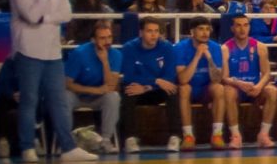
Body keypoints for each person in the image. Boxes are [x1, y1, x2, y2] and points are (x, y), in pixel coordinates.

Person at [9, 0, 99, 163]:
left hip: (52, 54)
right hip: (28, 52)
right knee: (29, 101)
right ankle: (27, 147)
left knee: (58, 101)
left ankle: (67, 148)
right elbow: (31, 17)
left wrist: (45, 18)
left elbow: (66, 15)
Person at [119, 16, 181, 152]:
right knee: (128, 91)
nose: (154, 35)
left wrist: (149, 86)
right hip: (138, 89)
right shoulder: (129, 48)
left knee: (173, 91)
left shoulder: (167, 47)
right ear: (141, 33)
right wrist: (156, 80)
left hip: (155, 90)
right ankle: (130, 138)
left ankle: (175, 136)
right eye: (149, 31)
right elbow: (129, 76)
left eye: (156, 31)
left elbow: (169, 76)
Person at [63, 20, 122, 153]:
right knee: (64, 97)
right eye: (102, 38)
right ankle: (66, 142)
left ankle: (106, 140)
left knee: (113, 97)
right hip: (77, 95)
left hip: (99, 97)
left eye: (109, 37)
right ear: (93, 40)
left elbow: (111, 86)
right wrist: (94, 90)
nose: (107, 42)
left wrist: (105, 61)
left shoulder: (116, 55)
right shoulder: (80, 53)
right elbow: (67, 83)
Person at [220, 14, 277, 148]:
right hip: (237, 88)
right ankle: (236, 136)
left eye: (246, 25)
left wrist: (258, 86)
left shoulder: (260, 46)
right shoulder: (225, 48)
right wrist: (239, 83)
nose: (242, 29)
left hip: (254, 88)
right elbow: (224, 77)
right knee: (228, 91)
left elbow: (266, 73)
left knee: (272, 91)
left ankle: (264, 134)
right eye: (238, 25)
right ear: (232, 28)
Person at [174, 16, 226, 151]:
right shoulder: (180, 48)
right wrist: (197, 56)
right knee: (184, 88)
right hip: (189, 88)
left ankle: (217, 134)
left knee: (219, 88)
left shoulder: (215, 48)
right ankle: (188, 136)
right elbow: (183, 79)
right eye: (201, 29)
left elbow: (217, 79)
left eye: (208, 29)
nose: (205, 33)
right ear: (192, 32)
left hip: (206, 90)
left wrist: (208, 57)